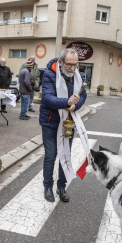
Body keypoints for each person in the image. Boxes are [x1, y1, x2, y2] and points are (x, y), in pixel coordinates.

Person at [39, 49, 87, 203]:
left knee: (65, 154)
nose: (72, 68)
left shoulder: (77, 76)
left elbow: (82, 94)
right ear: (60, 62)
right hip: (51, 122)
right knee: (51, 156)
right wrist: (66, 102)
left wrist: (74, 106)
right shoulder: (49, 75)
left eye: (75, 65)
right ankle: (47, 186)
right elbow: (47, 98)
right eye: (69, 65)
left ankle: (61, 186)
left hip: (68, 121)